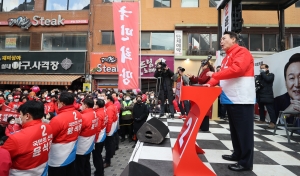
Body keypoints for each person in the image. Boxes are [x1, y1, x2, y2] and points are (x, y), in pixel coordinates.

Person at [204, 31, 255, 171]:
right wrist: (210, 83)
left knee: (244, 132)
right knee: (235, 130)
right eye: (220, 39)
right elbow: (221, 74)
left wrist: (214, 74)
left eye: (224, 38)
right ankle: (237, 154)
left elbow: (238, 69)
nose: (221, 41)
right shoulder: (226, 57)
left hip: (241, 98)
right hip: (230, 98)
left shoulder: (241, 52)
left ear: (233, 39)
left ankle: (245, 162)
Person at [2, 101, 53, 175]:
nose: (19, 117)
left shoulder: (16, 138)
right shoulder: (49, 127)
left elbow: (3, 157)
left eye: (21, 114)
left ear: (27, 116)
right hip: (42, 169)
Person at [48, 92, 83, 176]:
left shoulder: (58, 119)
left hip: (58, 156)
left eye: (58, 102)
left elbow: (49, 137)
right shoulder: (78, 114)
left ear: (62, 103)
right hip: (71, 151)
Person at [274, 53, 300, 126]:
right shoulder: (277, 102)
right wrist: (284, 115)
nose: (297, 84)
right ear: (285, 82)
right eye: (291, 78)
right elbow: (270, 127)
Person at [75, 97, 98, 176]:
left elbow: (78, 130)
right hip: (90, 142)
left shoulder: (84, 117)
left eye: (82, 104)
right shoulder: (94, 113)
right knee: (86, 163)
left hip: (82, 144)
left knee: (80, 166)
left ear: (86, 106)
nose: (81, 106)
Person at [255, 64, 277, 128]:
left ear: (267, 68)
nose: (261, 70)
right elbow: (257, 82)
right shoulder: (259, 76)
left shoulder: (271, 75)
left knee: (270, 109)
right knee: (261, 108)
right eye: (260, 68)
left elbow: (268, 79)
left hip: (267, 95)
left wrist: (263, 73)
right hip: (260, 94)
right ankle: (262, 119)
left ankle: (273, 122)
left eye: (263, 68)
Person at [93, 99, 107, 176]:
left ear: (98, 105)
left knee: (97, 156)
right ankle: (100, 170)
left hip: (98, 138)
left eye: (95, 104)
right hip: (102, 135)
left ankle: (99, 172)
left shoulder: (98, 114)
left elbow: (97, 129)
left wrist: (95, 140)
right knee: (99, 155)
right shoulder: (104, 111)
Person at [103, 94, 117, 168]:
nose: (103, 99)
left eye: (104, 97)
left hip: (110, 129)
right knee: (109, 144)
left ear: (108, 99)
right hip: (112, 128)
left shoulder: (109, 108)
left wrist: (108, 130)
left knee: (108, 145)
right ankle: (108, 158)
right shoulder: (111, 106)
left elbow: (109, 120)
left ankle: (107, 161)